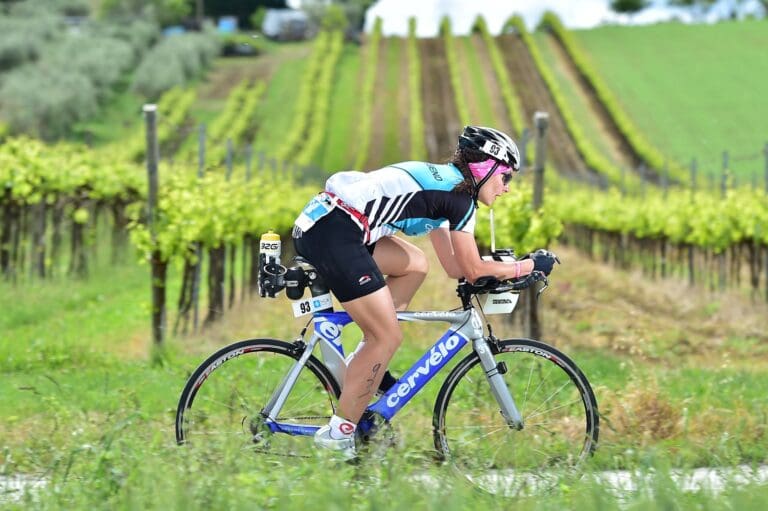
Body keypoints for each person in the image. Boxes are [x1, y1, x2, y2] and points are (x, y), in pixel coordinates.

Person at [291, 126, 559, 459]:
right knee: (386, 337)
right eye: (506, 178)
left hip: (331, 223)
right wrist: (526, 266)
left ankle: (367, 366)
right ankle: (339, 435)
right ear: (486, 167)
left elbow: (455, 267)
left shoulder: (448, 188)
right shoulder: (460, 199)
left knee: (415, 264)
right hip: (335, 231)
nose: (506, 188)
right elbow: (473, 270)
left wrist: (497, 268)